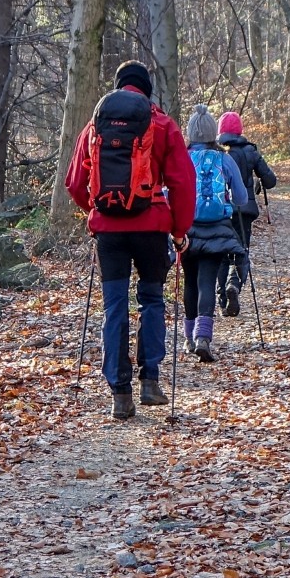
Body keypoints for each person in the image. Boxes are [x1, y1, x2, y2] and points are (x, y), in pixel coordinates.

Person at [65, 61, 196, 420]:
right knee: (152, 299)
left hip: (109, 231)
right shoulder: (163, 124)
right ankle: (150, 381)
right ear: (147, 90)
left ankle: (119, 394)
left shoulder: (96, 125)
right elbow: (183, 182)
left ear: (118, 86)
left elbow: (74, 183)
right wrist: (180, 230)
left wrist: (97, 210)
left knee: (115, 306)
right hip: (152, 227)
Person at [181, 106, 250, 362]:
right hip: (218, 229)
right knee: (207, 282)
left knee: (190, 281)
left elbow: (169, 191)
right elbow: (241, 198)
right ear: (213, 133)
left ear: (190, 133)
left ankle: (189, 338)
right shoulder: (224, 159)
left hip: (187, 229)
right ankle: (203, 337)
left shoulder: (183, 158)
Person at [217, 110, 278, 316]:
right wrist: (259, 182)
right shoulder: (250, 152)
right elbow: (271, 180)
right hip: (245, 212)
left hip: (222, 210)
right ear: (240, 130)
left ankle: (223, 300)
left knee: (222, 254)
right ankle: (234, 284)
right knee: (241, 251)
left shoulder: (218, 153)